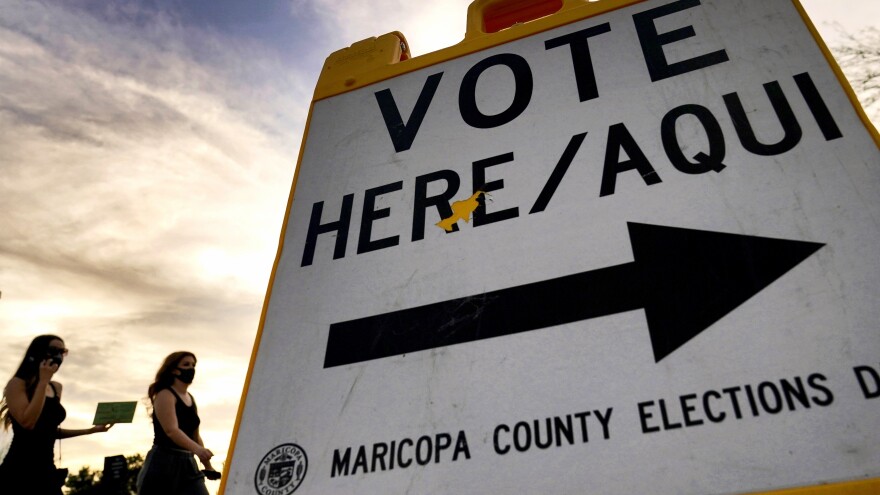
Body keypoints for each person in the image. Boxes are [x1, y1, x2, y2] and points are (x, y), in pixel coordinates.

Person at [0, 335, 113, 495]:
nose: (59, 356)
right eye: (53, 350)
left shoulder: (56, 388)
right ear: (38, 353)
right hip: (19, 470)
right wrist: (43, 382)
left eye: (63, 351)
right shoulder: (17, 384)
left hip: (46, 470)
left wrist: (90, 430)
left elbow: (49, 432)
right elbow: (27, 422)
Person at [137, 351, 215, 495]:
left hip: (188, 464)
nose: (191, 369)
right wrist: (197, 449)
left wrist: (208, 466)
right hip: (163, 463)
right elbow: (171, 430)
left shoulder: (190, 398)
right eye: (186, 364)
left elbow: (195, 436)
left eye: (193, 365)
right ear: (173, 369)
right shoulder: (165, 394)